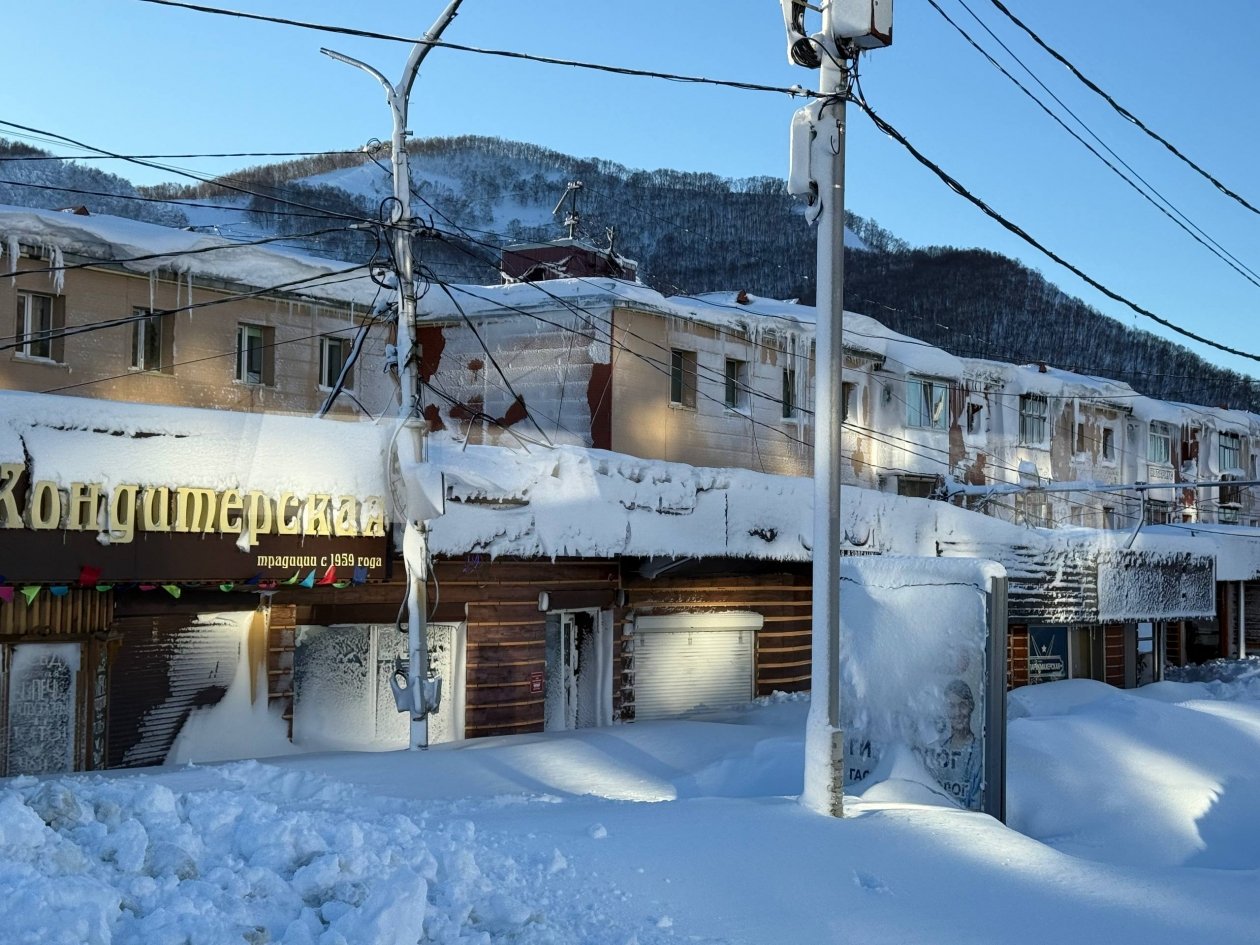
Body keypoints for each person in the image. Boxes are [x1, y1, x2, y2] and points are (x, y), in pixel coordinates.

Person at [922, 679, 982, 808]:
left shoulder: (981, 752)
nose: (957, 713)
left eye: (963, 705)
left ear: (971, 706)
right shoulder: (936, 750)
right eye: (951, 706)